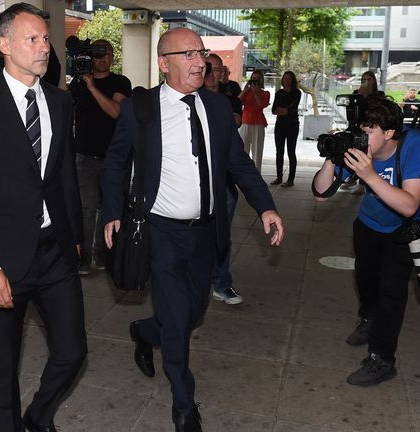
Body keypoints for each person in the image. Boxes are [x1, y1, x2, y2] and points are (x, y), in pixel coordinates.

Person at [102, 27, 284, 432]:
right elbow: (115, 162)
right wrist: (112, 211)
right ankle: (184, 403)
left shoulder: (218, 108)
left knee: (192, 312)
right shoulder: (141, 108)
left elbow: (238, 164)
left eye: (201, 53)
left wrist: (265, 206)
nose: (199, 61)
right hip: (160, 231)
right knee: (178, 318)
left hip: (206, 232)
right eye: (188, 55)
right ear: (164, 64)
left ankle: (143, 331)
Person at [0, 4, 86, 432]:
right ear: (4, 44)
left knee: (72, 351)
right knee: (3, 363)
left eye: (46, 38)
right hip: (1, 257)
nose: (44, 47)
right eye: (33, 39)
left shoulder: (60, 102)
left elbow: (64, 177)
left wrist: (75, 236)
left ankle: (38, 417)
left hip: (54, 252)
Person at [312, 97, 420, 386]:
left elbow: (409, 206)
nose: (361, 137)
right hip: (368, 224)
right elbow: (320, 194)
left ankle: (382, 358)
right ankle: (369, 318)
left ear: (389, 132)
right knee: (366, 282)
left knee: (391, 293)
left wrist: (368, 174)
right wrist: (333, 156)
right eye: (360, 129)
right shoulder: (358, 146)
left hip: (405, 230)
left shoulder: (415, 145)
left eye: (369, 131)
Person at [68, 38, 131, 275]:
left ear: (113, 57)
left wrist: (92, 87)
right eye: (97, 54)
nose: (102, 58)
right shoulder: (77, 83)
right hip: (84, 156)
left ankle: (102, 254)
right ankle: (82, 258)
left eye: (106, 54)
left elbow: (116, 112)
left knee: (109, 209)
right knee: (86, 208)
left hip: (113, 158)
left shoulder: (120, 82)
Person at [203, 53, 243, 305]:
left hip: (224, 179)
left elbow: (235, 121)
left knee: (222, 234)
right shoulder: (190, 98)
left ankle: (221, 283)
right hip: (197, 179)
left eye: (217, 69)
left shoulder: (229, 100)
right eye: (209, 68)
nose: (213, 73)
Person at [270, 71, 302, 187]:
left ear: (292, 80)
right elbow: (274, 110)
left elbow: (292, 110)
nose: (287, 80)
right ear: (282, 80)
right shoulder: (279, 93)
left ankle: (290, 180)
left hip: (292, 125)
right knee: (279, 152)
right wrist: (286, 110)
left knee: (291, 152)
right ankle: (279, 178)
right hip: (280, 125)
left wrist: (284, 110)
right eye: (285, 78)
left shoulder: (297, 93)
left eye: (289, 78)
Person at [239, 69, 271, 172]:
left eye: (257, 79)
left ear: (261, 80)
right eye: (253, 78)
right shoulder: (247, 92)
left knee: (257, 151)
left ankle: (257, 174)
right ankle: (244, 174)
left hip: (258, 123)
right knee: (243, 151)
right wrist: (245, 90)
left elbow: (261, 105)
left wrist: (255, 92)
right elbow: (237, 100)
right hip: (245, 122)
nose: (255, 81)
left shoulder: (265, 93)